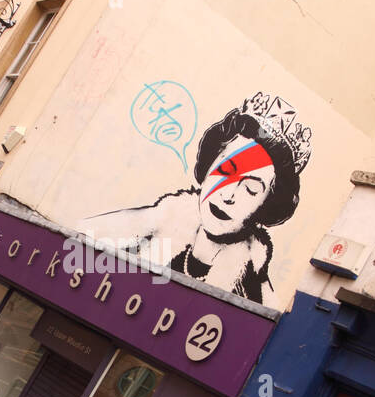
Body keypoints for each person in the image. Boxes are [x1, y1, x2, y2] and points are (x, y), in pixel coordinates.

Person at [83, 92, 312, 306]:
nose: (228, 194)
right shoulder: (160, 220)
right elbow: (79, 236)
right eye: (225, 170)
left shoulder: (253, 283)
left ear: (266, 205)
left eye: (251, 189)